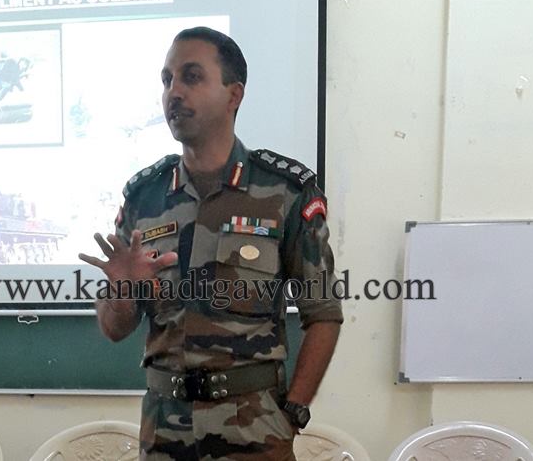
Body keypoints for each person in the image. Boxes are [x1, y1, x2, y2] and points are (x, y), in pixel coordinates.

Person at [79, 27, 343, 460]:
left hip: (254, 429)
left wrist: (293, 412)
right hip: (165, 430)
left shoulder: (284, 192)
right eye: (167, 80)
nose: (174, 92)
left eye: (192, 77)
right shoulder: (145, 197)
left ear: (234, 95)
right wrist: (123, 290)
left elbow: (324, 313)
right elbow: (114, 329)